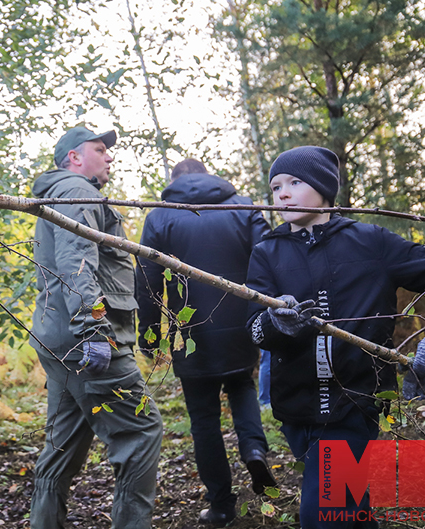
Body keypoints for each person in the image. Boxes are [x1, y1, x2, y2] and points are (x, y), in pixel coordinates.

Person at [245, 145, 425, 529]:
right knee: (350, 506)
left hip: (356, 405)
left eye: (295, 182)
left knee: (323, 515)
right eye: (275, 187)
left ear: (324, 187)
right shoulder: (267, 252)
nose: (282, 193)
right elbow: (253, 326)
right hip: (296, 410)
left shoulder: (370, 241)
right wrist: (276, 322)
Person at [29, 126, 164, 529]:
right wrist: (93, 329)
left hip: (61, 339)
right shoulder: (76, 191)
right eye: (99, 149)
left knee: (64, 444)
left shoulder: (64, 193)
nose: (109, 157)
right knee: (141, 432)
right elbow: (77, 261)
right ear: (74, 156)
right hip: (87, 338)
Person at [136, 158, 275, 527]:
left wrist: (149, 335)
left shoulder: (160, 217)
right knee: (242, 385)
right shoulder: (244, 207)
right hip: (242, 325)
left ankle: (221, 506)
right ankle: (254, 449)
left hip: (189, 332)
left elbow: (148, 281)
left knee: (203, 421)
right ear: (207, 175)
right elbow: (270, 258)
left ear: (175, 181)